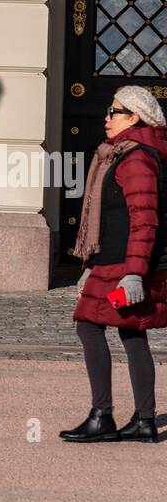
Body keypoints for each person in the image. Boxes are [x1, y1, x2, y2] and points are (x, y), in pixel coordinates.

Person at [60, 85, 167, 443]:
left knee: (89, 326)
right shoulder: (121, 154)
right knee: (131, 331)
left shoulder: (135, 157)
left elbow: (144, 219)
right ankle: (144, 420)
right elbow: (112, 218)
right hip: (111, 265)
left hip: (122, 270)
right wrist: (90, 263)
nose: (106, 117)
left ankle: (103, 415)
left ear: (134, 116)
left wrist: (134, 274)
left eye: (114, 111)